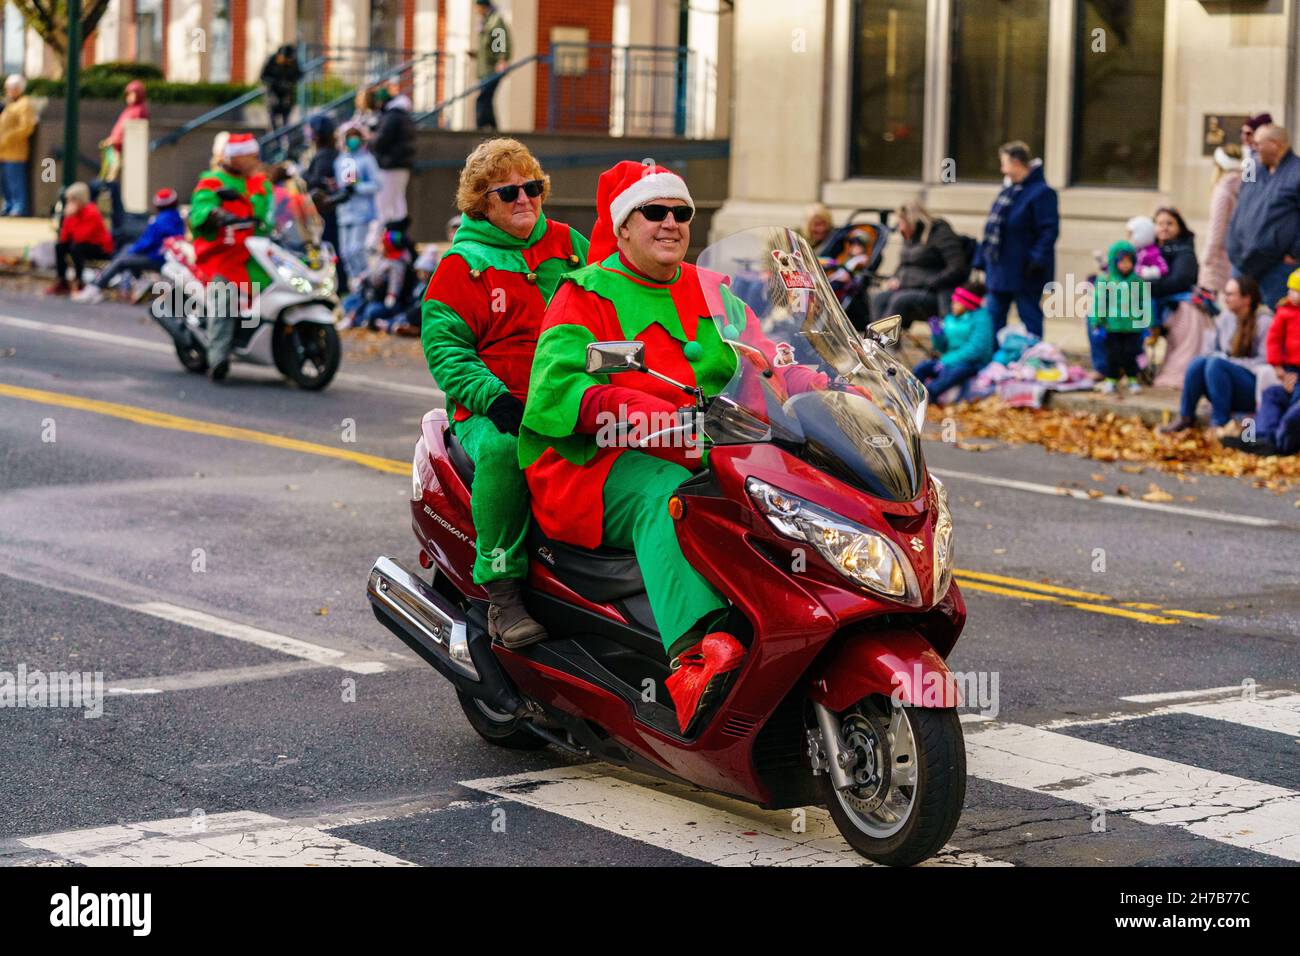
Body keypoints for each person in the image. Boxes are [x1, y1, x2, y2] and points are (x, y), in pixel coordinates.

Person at [519, 161, 812, 734]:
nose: (671, 222)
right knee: (672, 496)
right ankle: (694, 658)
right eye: (654, 212)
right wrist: (640, 414)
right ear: (623, 225)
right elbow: (558, 388)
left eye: (682, 213)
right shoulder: (587, 295)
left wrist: (826, 389)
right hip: (597, 463)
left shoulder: (715, 294)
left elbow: (766, 358)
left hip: (713, 447)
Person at [421, 138, 588, 647]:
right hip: (493, 408)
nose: (525, 199)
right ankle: (503, 594)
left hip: (570, 396)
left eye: (532, 187)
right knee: (502, 455)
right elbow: (446, 347)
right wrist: (495, 401)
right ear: (481, 202)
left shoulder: (570, 244)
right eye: (509, 191)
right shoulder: (461, 264)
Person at [188, 132, 275, 381]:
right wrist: (215, 214)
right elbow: (200, 209)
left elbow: (271, 212)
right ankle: (218, 356)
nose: (257, 159)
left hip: (256, 254)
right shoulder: (212, 181)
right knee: (225, 295)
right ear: (236, 158)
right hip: (221, 254)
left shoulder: (260, 183)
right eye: (251, 155)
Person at [1160, 276, 1273, 438]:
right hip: (1222, 380)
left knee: (1216, 364)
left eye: (1230, 294)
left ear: (1247, 299)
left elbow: (1265, 361)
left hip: (1251, 386)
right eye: (1225, 294)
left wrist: (1231, 362)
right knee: (1199, 362)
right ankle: (1186, 416)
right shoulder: (1227, 317)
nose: (1225, 298)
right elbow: (1213, 349)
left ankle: (1220, 422)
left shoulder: (1264, 321)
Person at [971, 141, 1059, 340]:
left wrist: (1036, 260)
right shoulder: (1008, 192)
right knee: (993, 317)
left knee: (1029, 317)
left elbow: (1049, 231)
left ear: (1017, 163)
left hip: (1026, 271)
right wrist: (980, 259)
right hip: (999, 269)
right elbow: (991, 228)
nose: (1002, 169)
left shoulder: (1042, 193)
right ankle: (992, 362)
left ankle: (1033, 359)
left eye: (1005, 164)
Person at [1225, 269, 1300, 456]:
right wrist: (1279, 368)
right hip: (1292, 373)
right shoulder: (1285, 313)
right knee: (1271, 395)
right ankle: (1257, 438)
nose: (1292, 295)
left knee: (1294, 414)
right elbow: (1274, 342)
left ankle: (1277, 445)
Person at [1227, 124, 1300, 308]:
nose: (1253, 148)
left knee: (1273, 321)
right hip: (1241, 261)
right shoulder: (1253, 167)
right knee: (1239, 321)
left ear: (1275, 145)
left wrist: (1295, 252)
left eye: (1258, 144)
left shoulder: (1296, 172)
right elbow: (1242, 201)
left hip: (1276, 266)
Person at [72, 188, 184, 303]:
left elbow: (148, 243)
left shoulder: (160, 220)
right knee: (126, 252)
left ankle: (95, 288)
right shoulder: (176, 218)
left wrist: (132, 250)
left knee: (122, 260)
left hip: (157, 258)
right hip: (164, 256)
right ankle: (133, 284)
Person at [870, 200, 969, 327]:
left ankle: (885, 343)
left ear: (911, 221)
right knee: (879, 299)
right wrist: (895, 278)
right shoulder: (910, 237)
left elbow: (957, 267)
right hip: (908, 289)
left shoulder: (940, 234)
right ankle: (876, 341)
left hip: (935, 293)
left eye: (901, 223)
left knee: (899, 300)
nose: (899, 227)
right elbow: (903, 264)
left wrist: (928, 282)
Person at [911, 283, 995, 404]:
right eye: (953, 302)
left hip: (971, 364)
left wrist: (946, 361)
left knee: (943, 380)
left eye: (957, 303)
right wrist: (937, 334)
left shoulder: (982, 319)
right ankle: (908, 395)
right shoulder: (950, 319)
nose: (953, 306)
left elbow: (976, 349)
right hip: (948, 361)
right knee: (921, 369)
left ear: (967, 304)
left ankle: (925, 400)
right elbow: (943, 348)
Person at [1090, 240, 1149, 394]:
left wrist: (1146, 324)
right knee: (1112, 354)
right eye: (1121, 261)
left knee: (1131, 353)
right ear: (1114, 262)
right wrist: (1097, 321)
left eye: (1129, 261)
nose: (1125, 265)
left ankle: (1132, 379)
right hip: (1112, 327)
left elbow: (1144, 303)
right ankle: (1111, 379)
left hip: (1132, 328)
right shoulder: (1106, 280)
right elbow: (1099, 302)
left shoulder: (1138, 282)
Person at [90, 80, 148, 233]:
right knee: (105, 180)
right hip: (113, 151)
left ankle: (116, 215)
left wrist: (114, 140)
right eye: (128, 94)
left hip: (122, 151)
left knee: (111, 183)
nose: (130, 97)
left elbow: (134, 133)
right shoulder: (128, 110)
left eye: (133, 94)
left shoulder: (139, 110)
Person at [303, 114, 349, 291]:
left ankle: (339, 286)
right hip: (333, 213)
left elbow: (316, 183)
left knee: (333, 250)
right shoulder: (326, 154)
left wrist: (302, 176)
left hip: (331, 213)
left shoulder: (327, 157)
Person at [45, 182, 113, 296]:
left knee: (77, 248)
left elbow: (82, 236)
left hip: (98, 247)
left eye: (72, 200)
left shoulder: (91, 212)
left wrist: (72, 216)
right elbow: (64, 237)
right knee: (60, 247)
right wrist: (67, 218)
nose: (69, 203)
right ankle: (62, 280)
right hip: (80, 244)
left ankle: (79, 280)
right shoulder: (71, 213)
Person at [334, 123, 381, 285]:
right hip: (344, 211)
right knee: (345, 252)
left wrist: (358, 187)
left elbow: (377, 184)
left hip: (362, 211)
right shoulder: (341, 160)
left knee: (356, 249)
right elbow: (339, 183)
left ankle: (364, 280)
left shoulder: (367, 160)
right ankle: (354, 282)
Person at [372, 84, 414, 224]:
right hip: (402, 164)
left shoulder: (392, 116)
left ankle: (386, 238)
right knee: (398, 202)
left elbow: (381, 141)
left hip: (390, 165)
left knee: (385, 203)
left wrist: (371, 139)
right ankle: (398, 237)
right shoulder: (402, 114)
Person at [0, 75, 36, 216]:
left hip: (15, 151)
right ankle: (8, 205)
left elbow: (26, 127)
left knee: (15, 181)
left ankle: (18, 206)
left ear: (18, 89)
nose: (8, 91)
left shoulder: (24, 104)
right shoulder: (10, 104)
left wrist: (8, 138)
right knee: (5, 182)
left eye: (11, 88)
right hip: (4, 150)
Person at [473, 0, 512, 131]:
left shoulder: (495, 21)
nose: (476, 10)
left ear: (483, 7)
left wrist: (501, 60)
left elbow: (499, 42)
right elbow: (488, 46)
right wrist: (477, 54)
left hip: (492, 68)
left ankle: (480, 127)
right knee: (487, 100)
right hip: (485, 68)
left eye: (477, 7)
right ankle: (493, 128)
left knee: (483, 98)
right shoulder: (485, 21)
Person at [261, 45, 302, 132]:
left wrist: (290, 82)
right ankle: (275, 139)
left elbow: (299, 74)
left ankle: (285, 138)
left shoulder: (293, 62)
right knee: (273, 119)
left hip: (287, 94)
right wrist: (275, 82)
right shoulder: (272, 60)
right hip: (273, 93)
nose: (287, 61)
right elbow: (263, 76)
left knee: (286, 119)